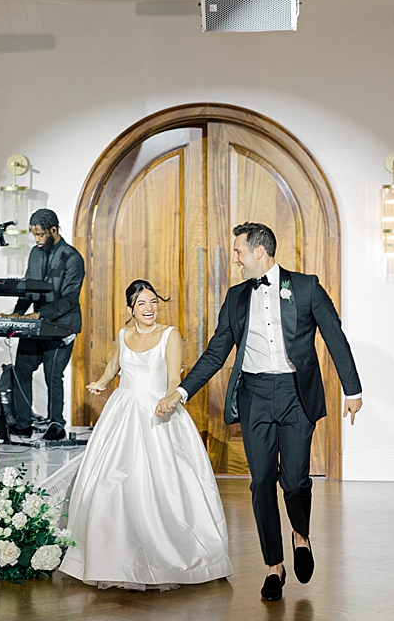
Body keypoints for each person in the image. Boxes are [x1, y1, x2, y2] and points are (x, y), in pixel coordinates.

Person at [157, 222, 362, 601]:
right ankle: (274, 566)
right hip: (254, 395)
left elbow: (334, 335)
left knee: (296, 480)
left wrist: (353, 389)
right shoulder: (235, 297)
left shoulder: (305, 287)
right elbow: (216, 352)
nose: (234, 259)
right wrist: (181, 392)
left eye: (238, 252)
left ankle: (301, 537)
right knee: (261, 481)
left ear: (259, 252)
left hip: (296, 394)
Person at [59, 279, 233, 590]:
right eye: (142, 303)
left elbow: (173, 376)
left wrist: (169, 399)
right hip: (123, 412)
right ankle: (113, 557)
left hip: (157, 411)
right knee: (112, 482)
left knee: (163, 482)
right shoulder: (123, 335)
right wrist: (100, 382)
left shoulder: (169, 335)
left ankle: (176, 554)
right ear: (130, 309)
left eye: (153, 301)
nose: (149, 308)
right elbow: (114, 366)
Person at [0, 208, 85, 441]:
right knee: (22, 370)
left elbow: (69, 299)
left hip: (61, 326)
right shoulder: (36, 254)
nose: (36, 240)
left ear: (53, 230)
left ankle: (56, 424)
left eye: (40, 235)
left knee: (53, 375)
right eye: (33, 235)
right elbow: (28, 287)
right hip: (36, 325)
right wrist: (17, 314)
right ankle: (23, 423)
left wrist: (38, 316)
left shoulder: (72, 258)